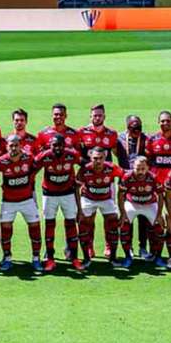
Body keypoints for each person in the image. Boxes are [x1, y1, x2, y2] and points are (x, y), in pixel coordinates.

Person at [34, 134, 83, 271]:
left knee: (71, 224)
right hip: (49, 194)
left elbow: (85, 164)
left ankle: (74, 258)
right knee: (50, 225)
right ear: (50, 146)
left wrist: (80, 178)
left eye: (59, 145)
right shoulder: (44, 155)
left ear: (64, 145)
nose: (57, 148)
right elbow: (32, 167)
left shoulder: (72, 155)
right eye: (54, 145)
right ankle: (50, 258)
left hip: (67, 193)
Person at [0, 135, 43, 271]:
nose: (13, 148)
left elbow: (37, 167)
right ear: (6, 146)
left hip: (27, 200)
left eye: (16, 145)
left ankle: (36, 258)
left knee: (35, 227)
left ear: (20, 145)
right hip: (8, 202)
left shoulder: (29, 157)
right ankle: (7, 258)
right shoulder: (1, 161)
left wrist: (31, 177)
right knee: (5, 229)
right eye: (11, 145)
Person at [77, 104, 119, 259]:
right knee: (89, 217)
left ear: (104, 116)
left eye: (100, 115)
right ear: (90, 117)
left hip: (107, 181)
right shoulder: (82, 133)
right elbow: (76, 153)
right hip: (88, 180)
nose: (97, 118)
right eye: (94, 115)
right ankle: (89, 247)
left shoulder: (112, 134)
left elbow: (117, 153)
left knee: (110, 216)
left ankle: (109, 246)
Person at [145, 111, 171, 260]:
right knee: (155, 219)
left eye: (167, 121)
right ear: (158, 122)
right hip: (156, 186)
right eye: (162, 121)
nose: (165, 123)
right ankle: (153, 251)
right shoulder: (152, 139)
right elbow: (147, 161)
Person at [76, 147, 124, 268]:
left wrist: (123, 186)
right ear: (90, 158)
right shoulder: (84, 169)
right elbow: (76, 187)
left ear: (105, 157)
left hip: (106, 199)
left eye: (101, 158)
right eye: (95, 158)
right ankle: (86, 258)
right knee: (84, 225)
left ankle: (113, 257)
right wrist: (79, 209)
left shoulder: (111, 167)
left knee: (113, 223)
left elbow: (124, 175)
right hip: (88, 199)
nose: (98, 161)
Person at [117, 156, 167, 268]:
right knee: (123, 225)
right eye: (137, 168)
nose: (140, 171)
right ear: (132, 167)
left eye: (143, 169)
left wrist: (159, 215)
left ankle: (157, 256)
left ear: (147, 168)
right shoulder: (127, 177)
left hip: (149, 203)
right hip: (132, 203)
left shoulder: (153, 177)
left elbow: (160, 196)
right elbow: (120, 195)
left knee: (159, 227)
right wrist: (122, 213)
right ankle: (128, 256)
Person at [115, 115, 152, 261]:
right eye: (133, 128)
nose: (137, 131)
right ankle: (128, 247)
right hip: (125, 180)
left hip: (141, 180)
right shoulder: (119, 139)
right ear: (127, 127)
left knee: (143, 215)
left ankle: (143, 247)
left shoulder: (146, 138)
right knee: (126, 215)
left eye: (139, 128)